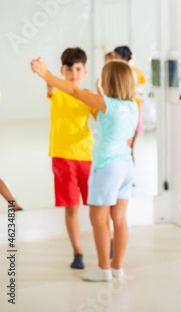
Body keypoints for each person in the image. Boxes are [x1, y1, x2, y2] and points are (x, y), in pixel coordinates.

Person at [31, 57, 138, 281]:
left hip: (107, 168)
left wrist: (45, 74)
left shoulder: (108, 104)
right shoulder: (131, 106)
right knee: (119, 219)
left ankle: (103, 269)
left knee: (98, 218)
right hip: (126, 166)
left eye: (103, 78)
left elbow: (76, 92)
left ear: (109, 82)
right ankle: (117, 267)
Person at [37, 47, 96, 270]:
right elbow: (50, 83)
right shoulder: (56, 91)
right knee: (71, 208)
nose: (74, 73)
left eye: (78, 68)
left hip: (87, 158)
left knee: (97, 206)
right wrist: (43, 71)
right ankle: (78, 252)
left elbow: (102, 118)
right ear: (62, 70)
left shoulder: (88, 95)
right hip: (62, 158)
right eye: (69, 69)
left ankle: (106, 241)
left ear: (85, 71)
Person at [112, 45, 146, 161]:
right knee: (129, 148)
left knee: (125, 148)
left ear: (125, 58)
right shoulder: (138, 71)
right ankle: (129, 177)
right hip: (136, 109)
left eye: (115, 57)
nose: (113, 60)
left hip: (126, 110)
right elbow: (142, 84)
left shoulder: (120, 72)